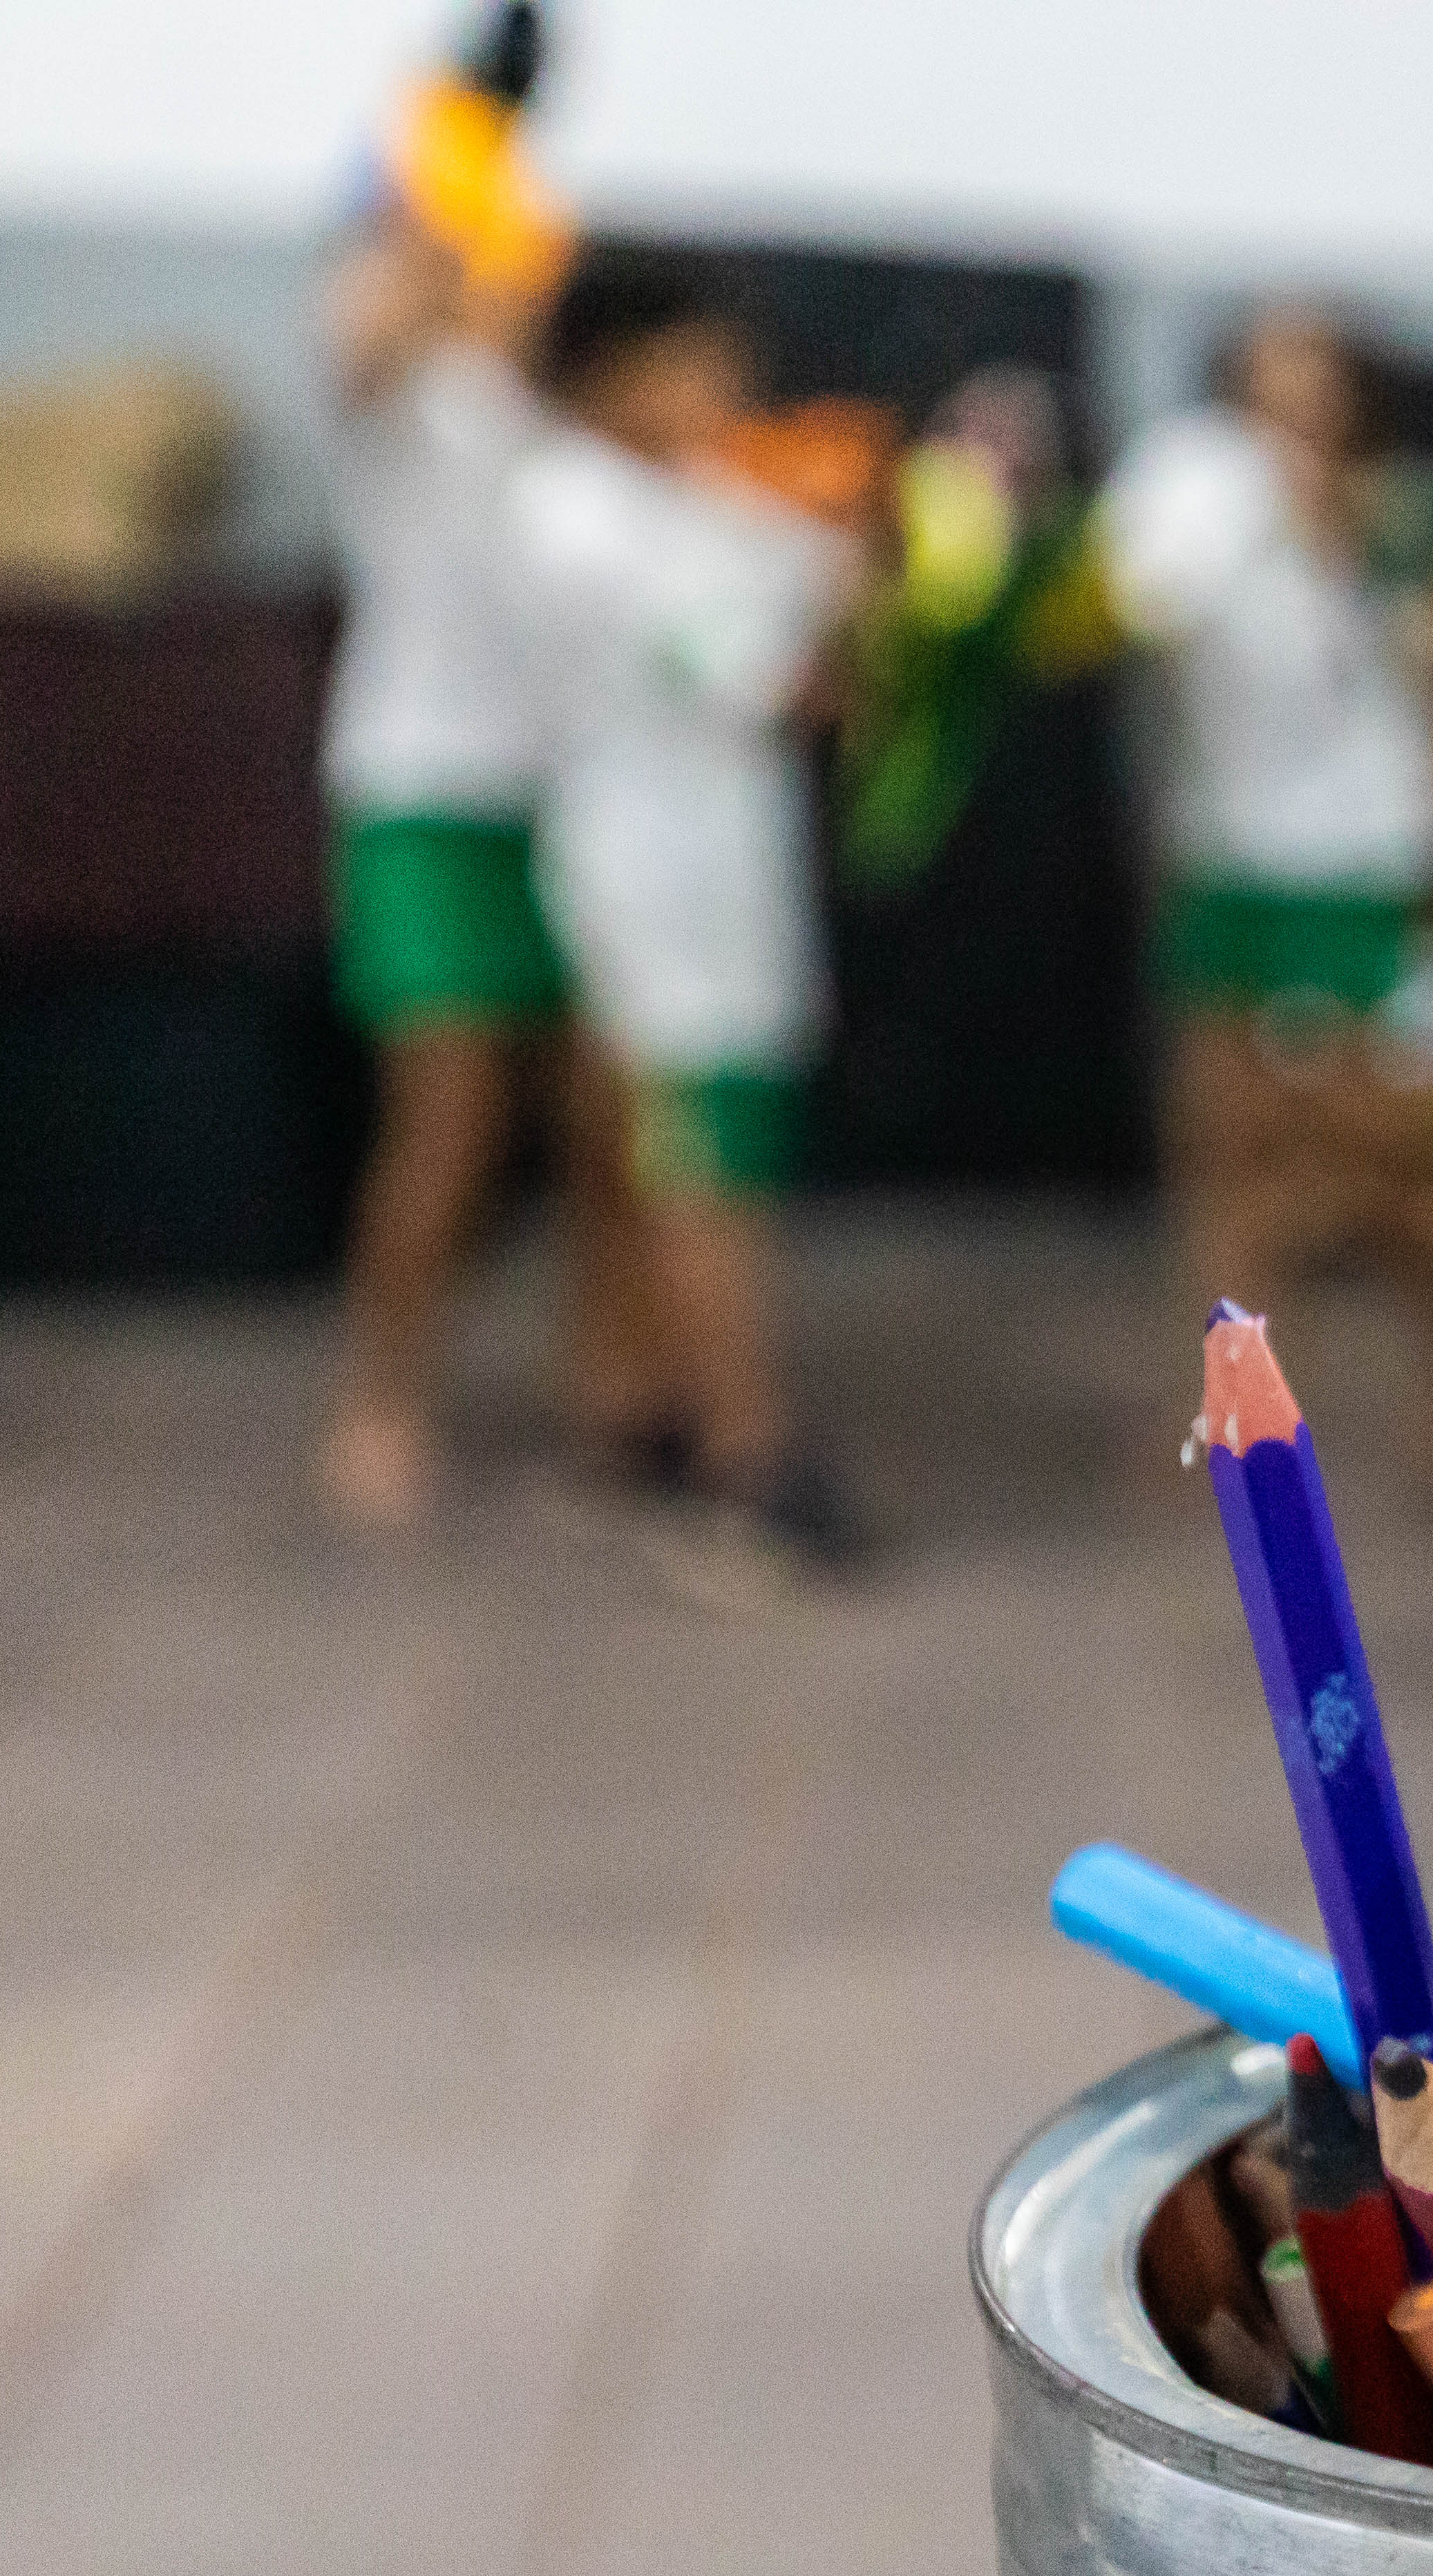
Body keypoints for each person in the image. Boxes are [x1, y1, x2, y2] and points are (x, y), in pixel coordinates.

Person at [503, 250, 866, 1602]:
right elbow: (779, 679)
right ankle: (745, 1457)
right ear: (613, 371)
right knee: (697, 1160)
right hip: (655, 888)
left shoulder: (694, 495)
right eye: (694, 360)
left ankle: (627, 1408)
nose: (726, 387)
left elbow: (820, 587)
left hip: (714, 876)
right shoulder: (571, 514)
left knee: (642, 1154)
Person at [310, 169, 667, 1533]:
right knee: (447, 1123)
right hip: (428, 801)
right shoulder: (419, 398)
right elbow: (363, 325)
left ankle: (613, 1381)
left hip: (576, 802)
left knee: (611, 1123)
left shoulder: (567, 430)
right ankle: (383, 1399)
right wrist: (435, 204)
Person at [1100, 306, 1433, 1486]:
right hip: (1231, 862)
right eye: (1271, 352)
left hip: (1363, 867)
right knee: (1227, 1151)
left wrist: (1320, 509)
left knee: (1392, 1157)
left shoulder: (1401, 503)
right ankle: (1242, 1415)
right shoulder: (1194, 482)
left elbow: (1431, 608)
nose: (1292, 378)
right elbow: (1138, 601)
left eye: (1315, 355)